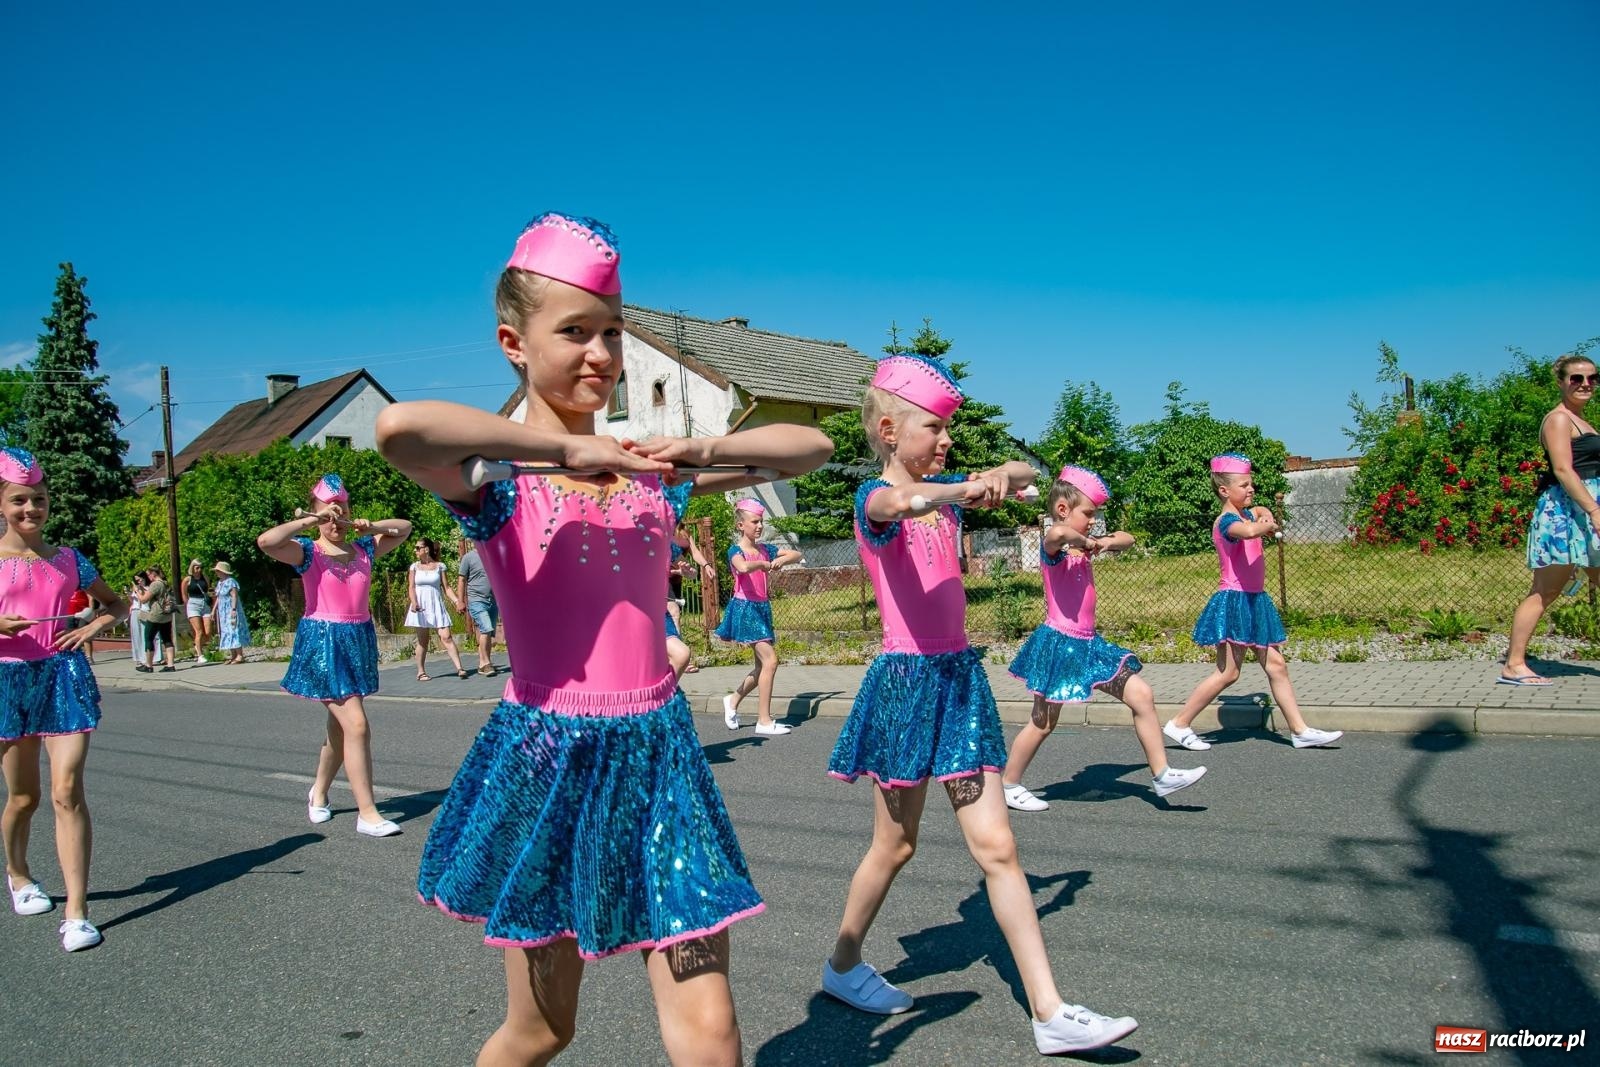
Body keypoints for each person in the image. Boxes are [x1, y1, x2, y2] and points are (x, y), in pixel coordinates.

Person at [375, 211, 832, 1067]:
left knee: (712, 1031)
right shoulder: (495, 478)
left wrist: (697, 447)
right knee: (544, 1029)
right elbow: (400, 429)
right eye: (575, 331)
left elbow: (811, 446)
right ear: (513, 343)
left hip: (661, 757)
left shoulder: (652, 471)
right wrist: (562, 449)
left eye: (613, 331)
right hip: (549, 758)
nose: (601, 352)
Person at [823, 354, 1138, 1055]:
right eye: (933, 429)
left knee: (998, 846)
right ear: (888, 429)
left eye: (949, 431)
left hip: (960, 681)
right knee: (895, 844)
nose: (945, 441)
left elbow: (1025, 478)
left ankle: (1050, 1012)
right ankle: (842, 964)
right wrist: (962, 489)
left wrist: (999, 475)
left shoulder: (949, 490)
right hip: (906, 686)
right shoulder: (876, 498)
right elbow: (897, 505)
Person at [1001, 465, 1207, 812]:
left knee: (1142, 694)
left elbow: (1128, 539)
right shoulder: (1055, 551)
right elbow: (1056, 534)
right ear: (1063, 509)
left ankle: (1162, 774)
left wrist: (1105, 542)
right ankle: (1009, 784)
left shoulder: (1087, 546)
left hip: (1089, 645)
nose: (1093, 521)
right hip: (1059, 646)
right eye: (1088, 514)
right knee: (1043, 722)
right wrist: (1082, 540)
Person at [0, 446, 128, 951]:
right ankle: (18, 875)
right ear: (1, 504)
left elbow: (116, 604)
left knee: (66, 790)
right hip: (8, 680)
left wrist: (92, 625)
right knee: (24, 797)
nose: (31, 509)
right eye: (19, 500)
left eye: (39, 499)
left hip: (63, 677)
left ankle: (77, 912)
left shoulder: (70, 560)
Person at [257, 474, 412, 838]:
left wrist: (370, 526)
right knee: (356, 724)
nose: (335, 521)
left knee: (340, 730)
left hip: (357, 641)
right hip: (323, 644)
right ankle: (367, 813)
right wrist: (309, 522)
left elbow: (404, 529)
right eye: (328, 514)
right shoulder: (308, 552)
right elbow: (266, 542)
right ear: (316, 516)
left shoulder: (365, 548)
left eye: (340, 512)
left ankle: (319, 792)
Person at [1161, 454, 1343, 751]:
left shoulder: (1248, 512)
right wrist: (1265, 524)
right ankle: (1179, 723)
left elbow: (1259, 511)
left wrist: (1264, 514)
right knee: (1228, 673)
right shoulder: (1227, 522)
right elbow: (1247, 532)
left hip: (1255, 601)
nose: (1251, 489)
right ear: (1224, 490)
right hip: (1235, 602)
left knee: (1277, 665)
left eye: (1251, 484)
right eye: (1244, 485)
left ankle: (1299, 731)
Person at [1502, 353, 1600, 685]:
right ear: (1561, 382)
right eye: (1576, 378)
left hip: (1585, 509)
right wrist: (1594, 510)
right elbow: (1562, 469)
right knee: (1546, 590)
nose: (1585, 384)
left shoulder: (1581, 420)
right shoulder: (1558, 419)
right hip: (1567, 514)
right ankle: (1514, 664)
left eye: (1592, 378)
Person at [715, 499, 802, 734]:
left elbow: (796, 553)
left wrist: (781, 559)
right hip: (746, 609)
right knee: (770, 661)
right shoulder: (736, 551)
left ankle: (732, 700)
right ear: (740, 525)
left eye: (761, 521)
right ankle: (764, 721)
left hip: (762, 608)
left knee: (761, 667)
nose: (760, 526)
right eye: (754, 522)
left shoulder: (765, 549)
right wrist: (764, 563)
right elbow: (742, 567)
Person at [405, 536, 466, 681]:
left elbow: (447, 588)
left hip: (436, 606)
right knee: (423, 641)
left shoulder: (440, 566)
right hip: (420, 607)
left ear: (426, 549)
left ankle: (460, 668)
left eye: (418, 548)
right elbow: (411, 587)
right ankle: (421, 672)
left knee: (446, 637)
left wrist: (457, 601)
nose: (415, 550)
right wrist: (414, 602)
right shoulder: (414, 567)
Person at [665, 524, 713, 679]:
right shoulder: (660, 533)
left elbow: (694, 555)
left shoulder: (683, 533)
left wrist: (705, 565)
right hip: (662, 581)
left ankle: (674, 656)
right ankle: (677, 656)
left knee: (673, 617)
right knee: (674, 613)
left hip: (676, 579)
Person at [456, 538, 499, 676]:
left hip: (492, 600)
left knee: (488, 633)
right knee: (486, 628)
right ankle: (485, 664)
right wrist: (460, 601)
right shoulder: (468, 558)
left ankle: (483, 663)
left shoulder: (493, 555)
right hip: (476, 600)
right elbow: (462, 579)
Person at [137, 565, 177, 673]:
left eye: (148, 574)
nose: (148, 577)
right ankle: (170, 665)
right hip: (166, 614)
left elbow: (144, 600)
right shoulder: (165, 582)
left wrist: (137, 592)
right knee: (167, 639)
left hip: (156, 614)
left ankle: (148, 665)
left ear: (153, 574)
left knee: (149, 638)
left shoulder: (155, 584)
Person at [212, 560, 250, 665]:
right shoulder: (220, 583)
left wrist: (233, 609)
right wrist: (213, 610)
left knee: (233, 630)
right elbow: (218, 598)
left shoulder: (231, 581)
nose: (216, 572)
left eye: (218, 571)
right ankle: (233, 655)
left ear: (223, 571)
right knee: (227, 631)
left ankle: (239, 655)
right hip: (222, 612)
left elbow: (234, 595)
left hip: (230, 610)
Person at [180, 558, 212, 664]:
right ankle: (200, 655)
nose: (199, 570)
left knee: (208, 632)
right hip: (193, 603)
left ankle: (198, 645)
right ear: (192, 568)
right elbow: (184, 594)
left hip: (204, 603)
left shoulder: (205, 577)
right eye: (197, 567)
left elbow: (208, 589)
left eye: (201, 568)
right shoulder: (187, 579)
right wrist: (187, 605)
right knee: (199, 631)